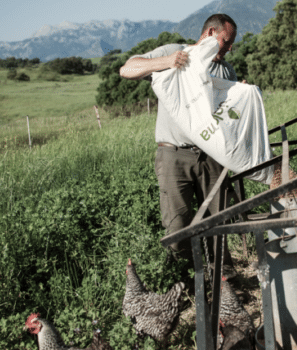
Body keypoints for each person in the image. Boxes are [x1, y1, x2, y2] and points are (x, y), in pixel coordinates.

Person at [119, 14, 238, 279]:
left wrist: (240, 96)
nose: (229, 49)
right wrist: (165, 63)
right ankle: (188, 282)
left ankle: (224, 281)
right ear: (210, 33)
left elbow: (230, 115)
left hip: (211, 156)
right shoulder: (174, 52)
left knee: (217, 219)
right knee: (177, 224)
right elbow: (126, 70)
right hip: (173, 155)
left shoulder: (225, 70)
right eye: (226, 42)